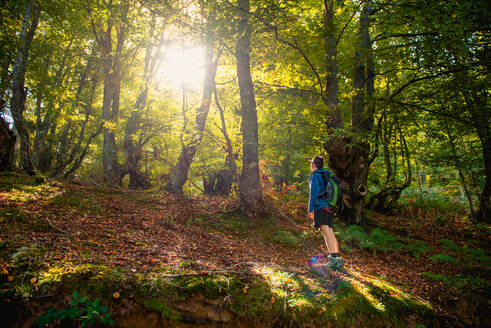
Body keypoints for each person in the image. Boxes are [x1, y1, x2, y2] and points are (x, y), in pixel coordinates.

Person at [308, 156, 343, 270]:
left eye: (311, 164)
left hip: (320, 206)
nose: (310, 166)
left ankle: (333, 259)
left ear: (314, 165)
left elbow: (313, 193)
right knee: (330, 230)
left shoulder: (315, 175)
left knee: (325, 231)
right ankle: (337, 258)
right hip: (329, 207)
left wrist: (310, 209)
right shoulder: (326, 174)